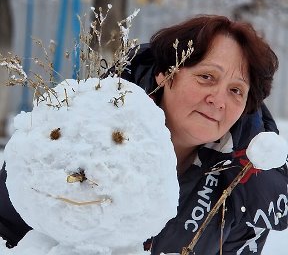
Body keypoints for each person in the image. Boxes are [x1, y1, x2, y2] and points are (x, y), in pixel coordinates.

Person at [0, 15, 287, 255]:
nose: (218, 99)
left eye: (236, 90)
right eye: (206, 77)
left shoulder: (246, 188)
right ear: (165, 73)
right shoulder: (73, 137)